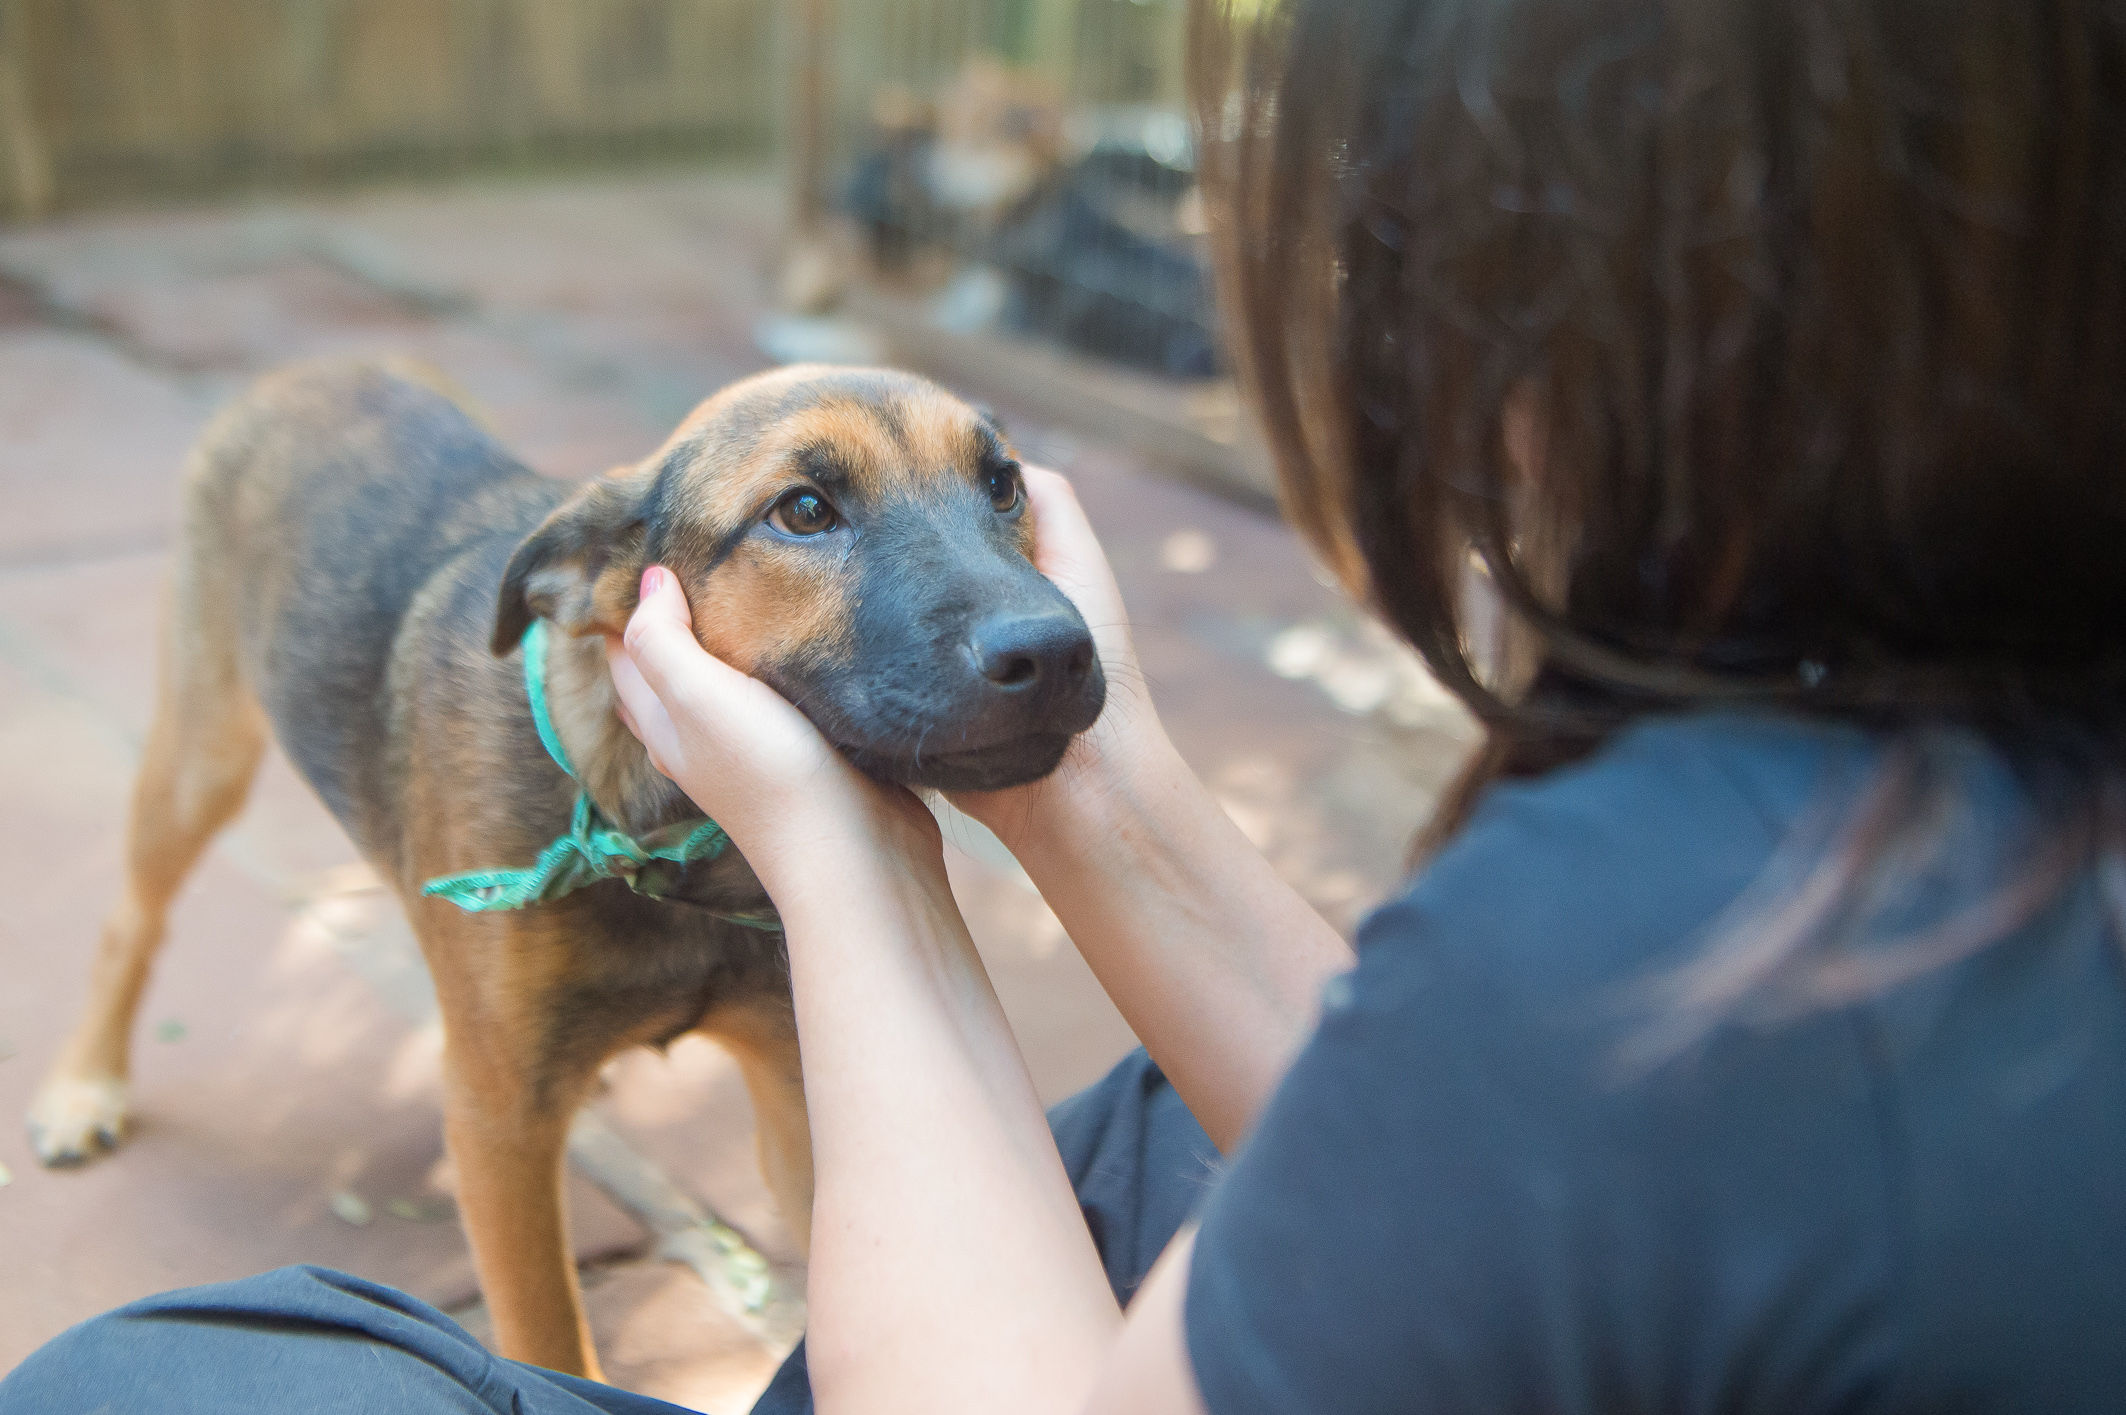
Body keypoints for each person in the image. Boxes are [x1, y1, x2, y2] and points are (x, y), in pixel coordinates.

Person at [8, 0, 2126, 1410]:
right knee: (1126, 1121)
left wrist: (839, 873)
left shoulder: (1632, 948)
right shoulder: (1919, 827)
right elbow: (1428, 1122)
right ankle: (114, 994)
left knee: (151, 1382)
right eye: (820, 512)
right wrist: (1075, 777)